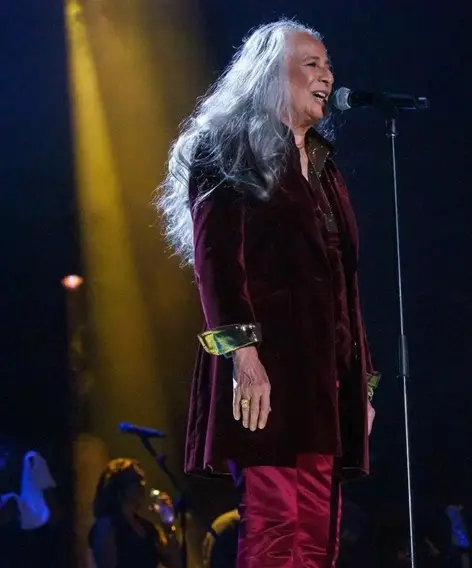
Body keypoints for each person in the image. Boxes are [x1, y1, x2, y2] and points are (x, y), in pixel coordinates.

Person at [155, 18, 380, 568]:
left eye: (328, 64)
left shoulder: (326, 169)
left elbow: (344, 282)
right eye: (311, 63)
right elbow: (215, 260)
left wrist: (361, 383)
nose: (327, 74)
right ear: (267, 75)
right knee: (276, 521)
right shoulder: (227, 146)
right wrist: (244, 355)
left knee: (319, 529)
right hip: (265, 371)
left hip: (323, 377)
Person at [88, 458, 181, 568]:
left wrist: (168, 522)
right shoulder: (107, 526)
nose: (142, 485)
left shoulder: (148, 528)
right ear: (121, 486)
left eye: (142, 480)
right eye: (136, 480)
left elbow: (175, 563)